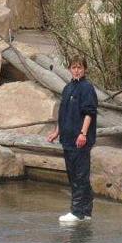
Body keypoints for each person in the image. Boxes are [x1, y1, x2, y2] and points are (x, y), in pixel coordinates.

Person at [47, 56, 98, 224]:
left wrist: (83, 134)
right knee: (72, 174)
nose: (77, 70)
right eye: (74, 67)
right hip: (67, 138)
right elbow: (63, 114)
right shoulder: (67, 88)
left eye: (80, 67)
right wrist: (57, 132)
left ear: (85, 69)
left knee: (80, 175)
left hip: (80, 139)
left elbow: (89, 113)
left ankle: (77, 212)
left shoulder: (87, 88)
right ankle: (86, 211)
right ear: (69, 69)